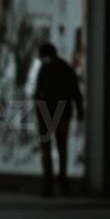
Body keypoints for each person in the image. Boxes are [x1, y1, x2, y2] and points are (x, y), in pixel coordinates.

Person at [33, 43, 83, 197]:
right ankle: (62, 183)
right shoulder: (65, 68)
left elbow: (38, 92)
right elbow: (75, 91)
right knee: (62, 148)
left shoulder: (45, 68)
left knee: (47, 150)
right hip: (62, 113)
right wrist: (79, 111)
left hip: (48, 114)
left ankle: (49, 185)